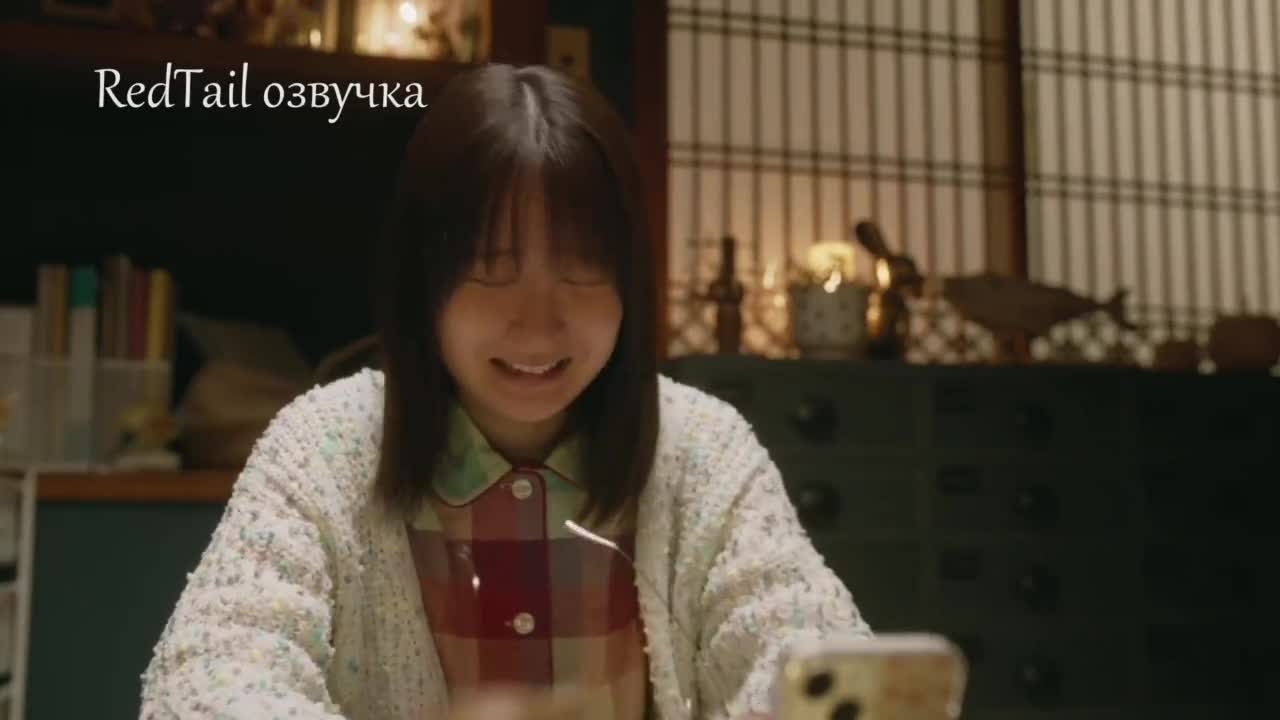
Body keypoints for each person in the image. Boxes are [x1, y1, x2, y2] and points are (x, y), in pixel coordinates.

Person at [138, 63, 871, 720]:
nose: (538, 323)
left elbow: (803, 638)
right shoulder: (323, 448)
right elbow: (210, 676)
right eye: (492, 267)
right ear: (425, 280)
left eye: (583, 268)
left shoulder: (702, 447)